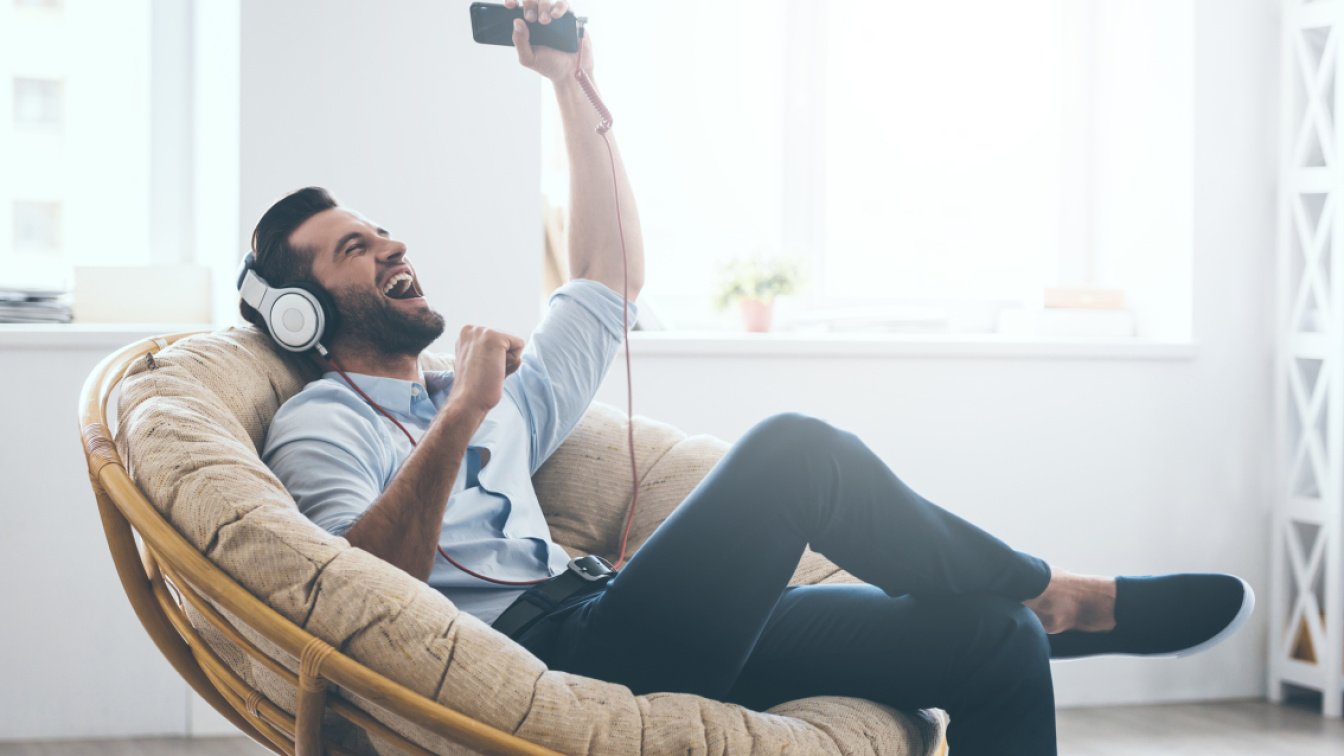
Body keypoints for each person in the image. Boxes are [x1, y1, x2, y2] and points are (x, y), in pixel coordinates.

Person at [248, 4, 1253, 754]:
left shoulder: (474, 395)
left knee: (990, 644)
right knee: (794, 451)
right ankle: (1057, 593)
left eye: (381, 230)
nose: (389, 245)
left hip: (613, 607)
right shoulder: (322, 423)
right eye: (352, 249)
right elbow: (359, 591)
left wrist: (569, 84)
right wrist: (462, 414)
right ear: (305, 313)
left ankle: (1025, 611)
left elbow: (605, 279)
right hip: (554, 653)